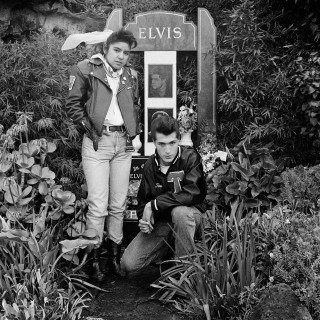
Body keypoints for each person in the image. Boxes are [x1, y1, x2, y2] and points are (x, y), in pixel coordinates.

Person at [65, 28, 139, 281]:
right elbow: (73, 104)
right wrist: (90, 130)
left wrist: (134, 131)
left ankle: (114, 258)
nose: (121, 56)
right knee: (98, 206)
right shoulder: (86, 69)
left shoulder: (130, 75)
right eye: (117, 50)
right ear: (105, 49)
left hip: (123, 144)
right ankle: (94, 260)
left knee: (118, 205)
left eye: (126, 52)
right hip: (97, 142)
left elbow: (133, 104)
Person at [121, 115, 207, 276]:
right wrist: (145, 221)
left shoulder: (190, 158)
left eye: (172, 143)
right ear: (154, 142)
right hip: (163, 224)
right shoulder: (150, 165)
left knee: (180, 212)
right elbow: (142, 203)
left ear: (179, 139)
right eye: (162, 144)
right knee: (128, 264)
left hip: (191, 218)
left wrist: (154, 205)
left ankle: (182, 274)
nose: (167, 150)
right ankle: (169, 254)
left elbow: (192, 193)